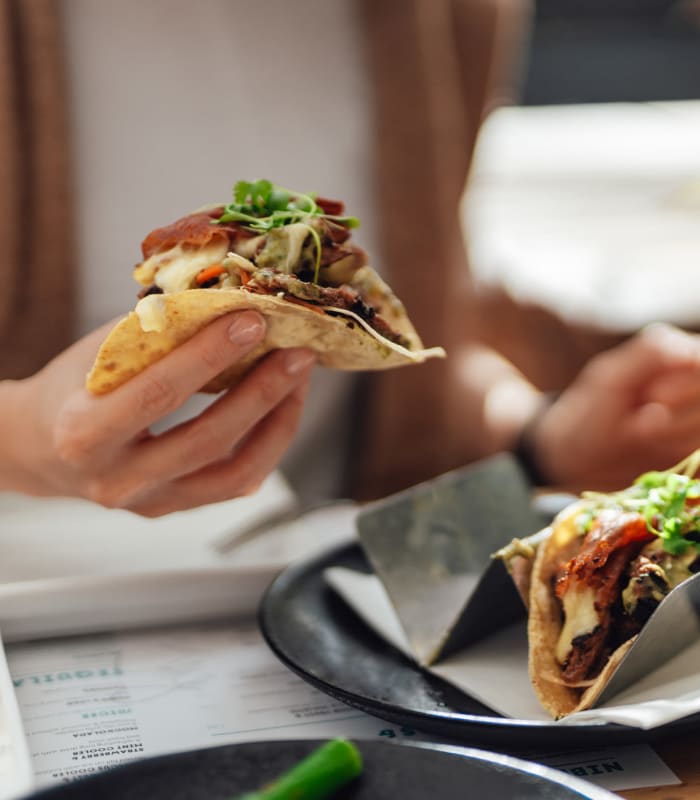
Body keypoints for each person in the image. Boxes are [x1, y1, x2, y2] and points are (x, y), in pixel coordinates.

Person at [3, 0, 700, 515]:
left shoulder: (439, 19)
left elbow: (391, 362)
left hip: (323, 604)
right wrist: (22, 437)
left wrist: (538, 434)